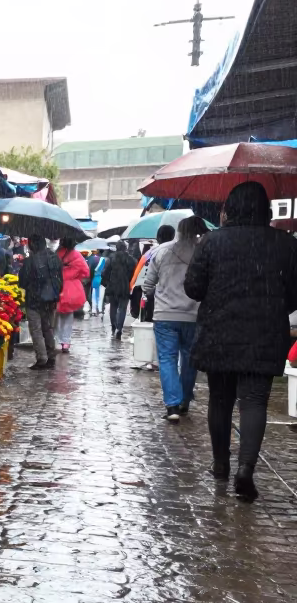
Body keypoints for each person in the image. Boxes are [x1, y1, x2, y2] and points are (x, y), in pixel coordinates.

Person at [185, 181, 297, 501]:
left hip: (220, 332)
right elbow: (294, 293)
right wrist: (272, 306)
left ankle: (221, 464)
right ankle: (245, 469)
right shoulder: (286, 245)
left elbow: (193, 288)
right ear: (266, 210)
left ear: (228, 209)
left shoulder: (211, 242)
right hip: (264, 334)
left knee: (220, 400)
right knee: (254, 401)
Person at [144, 216, 205, 421]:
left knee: (167, 359)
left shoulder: (161, 251)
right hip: (194, 315)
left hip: (165, 315)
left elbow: (147, 284)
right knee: (189, 360)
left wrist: (157, 291)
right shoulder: (203, 251)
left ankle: (172, 406)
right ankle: (184, 401)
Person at [18, 234, 63, 369]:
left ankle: (42, 358)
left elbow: (23, 282)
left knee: (36, 329)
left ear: (32, 245)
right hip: (51, 299)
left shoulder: (30, 261)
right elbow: (60, 278)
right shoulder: (55, 257)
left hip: (34, 299)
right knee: (48, 328)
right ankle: (51, 356)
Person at [54, 237, 90, 353]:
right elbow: (86, 271)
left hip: (58, 287)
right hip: (72, 288)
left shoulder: (56, 254)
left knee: (57, 315)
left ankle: (57, 340)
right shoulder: (77, 255)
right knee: (68, 316)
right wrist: (75, 275)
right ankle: (66, 342)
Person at [102, 242, 137, 339]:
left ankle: (114, 328)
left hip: (112, 286)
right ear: (125, 248)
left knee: (113, 307)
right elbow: (134, 274)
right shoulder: (131, 260)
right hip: (125, 287)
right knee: (122, 308)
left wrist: (107, 284)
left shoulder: (111, 258)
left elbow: (105, 273)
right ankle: (119, 328)